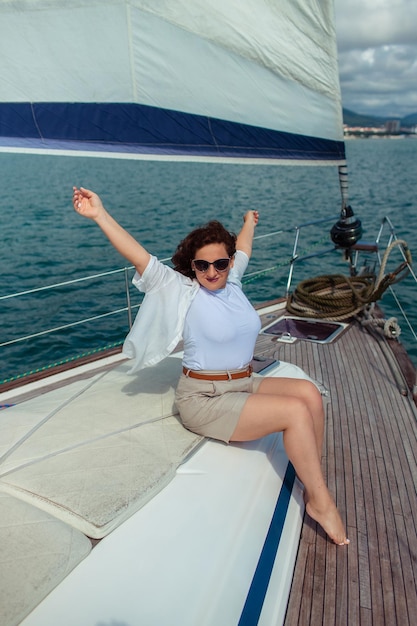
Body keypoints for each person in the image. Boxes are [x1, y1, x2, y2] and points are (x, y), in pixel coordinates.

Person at [72, 186, 349, 546]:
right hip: (204, 397)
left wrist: (248, 221)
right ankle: (320, 502)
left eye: (220, 263)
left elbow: (245, 245)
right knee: (295, 412)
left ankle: (314, 478)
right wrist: (99, 215)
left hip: (244, 382)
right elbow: (140, 257)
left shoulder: (232, 281)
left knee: (310, 394)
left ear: (229, 262)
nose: (212, 271)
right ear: (192, 266)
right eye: (202, 265)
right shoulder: (182, 290)